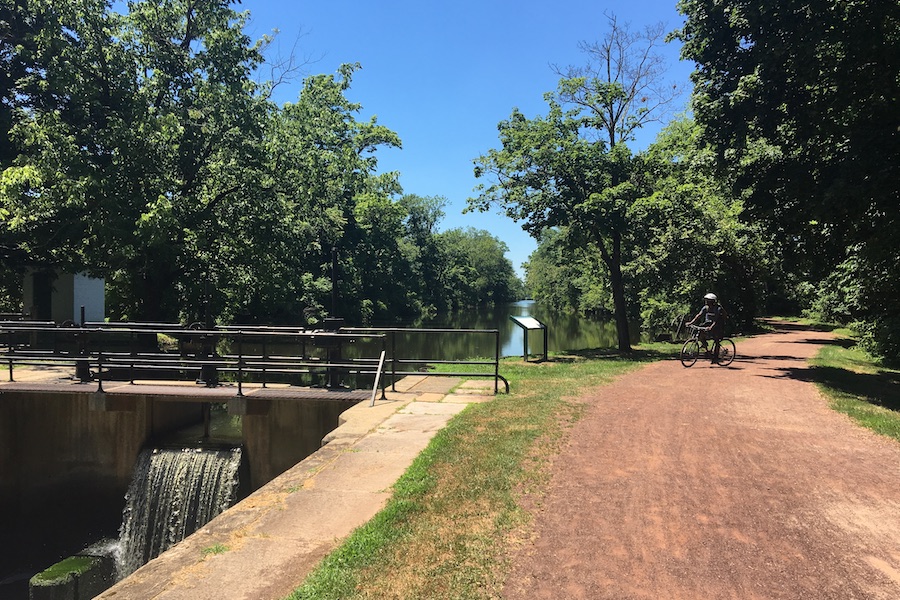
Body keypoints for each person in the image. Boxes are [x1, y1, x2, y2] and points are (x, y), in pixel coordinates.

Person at [688, 293, 727, 361]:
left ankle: (716, 358)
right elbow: (699, 315)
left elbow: (716, 320)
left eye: (708, 300)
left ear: (712, 301)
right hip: (708, 323)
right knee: (700, 332)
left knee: (716, 340)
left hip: (717, 325)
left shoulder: (718, 309)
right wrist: (691, 322)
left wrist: (711, 327)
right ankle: (705, 346)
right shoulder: (705, 308)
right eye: (706, 300)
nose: (706, 302)